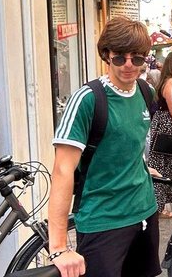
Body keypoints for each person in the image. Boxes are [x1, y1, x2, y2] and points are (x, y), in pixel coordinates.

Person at [49, 16, 159, 277]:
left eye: (137, 57)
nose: (129, 65)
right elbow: (63, 171)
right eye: (120, 57)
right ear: (106, 55)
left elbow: (128, 143)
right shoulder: (88, 99)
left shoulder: (146, 92)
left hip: (145, 211)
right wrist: (59, 246)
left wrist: (140, 168)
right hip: (103, 220)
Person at [148, 51, 172, 219]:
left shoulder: (169, 81)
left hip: (165, 127)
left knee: (166, 167)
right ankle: (158, 208)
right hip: (169, 129)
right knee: (161, 168)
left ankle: (164, 205)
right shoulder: (170, 83)